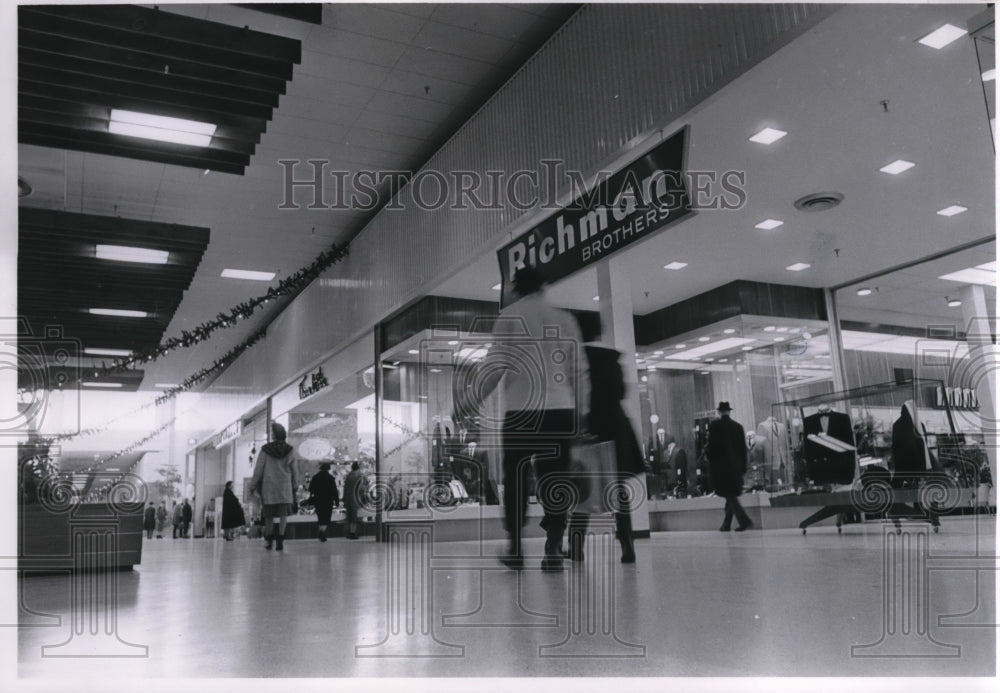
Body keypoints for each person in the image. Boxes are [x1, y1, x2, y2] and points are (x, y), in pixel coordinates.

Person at [457, 266, 588, 571]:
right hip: (559, 410)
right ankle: (554, 547)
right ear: (544, 286)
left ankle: (515, 547)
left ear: (516, 289)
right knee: (554, 478)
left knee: (516, 479)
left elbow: (493, 366)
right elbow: (578, 370)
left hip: (521, 413)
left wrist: (468, 402)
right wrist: (582, 412)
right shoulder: (565, 319)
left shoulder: (510, 317)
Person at [566, 324, 643, 564]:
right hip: (616, 426)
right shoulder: (612, 358)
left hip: (589, 426)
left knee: (582, 489)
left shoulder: (577, 358)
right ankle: (627, 545)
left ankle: (576, 548)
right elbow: (621, 392)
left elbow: (573, 393)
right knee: (618, 488)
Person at [250, 422, 298, 550]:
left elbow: (259, 469)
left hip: (269, 488)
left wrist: (253, 485)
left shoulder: (266, 450)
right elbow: (294, 471)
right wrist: (295, 485)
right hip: (284, 487)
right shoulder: (290, 450)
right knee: (283, 515)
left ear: (274, 435)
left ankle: (269, 540)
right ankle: (281, 541)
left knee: (269, 516)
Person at [707, 401, 753, 532]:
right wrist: (743, 468)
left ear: (719, 412)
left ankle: (744, 520)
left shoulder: (715, 426)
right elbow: (743, 450)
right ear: (729, 411)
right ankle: (726, 524)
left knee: (729, 495)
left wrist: (711, 465)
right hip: (736, 467)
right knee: (730, 494)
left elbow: (712, 449)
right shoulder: (738, 427)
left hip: (722, 468)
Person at [309, 463, 340, 542]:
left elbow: (311, 489)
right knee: (326, 518)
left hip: (318, 500)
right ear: (328, 469)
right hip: (328, 500)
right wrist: (337, 501)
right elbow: (334, 491)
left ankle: (321, 532)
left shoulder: (315, 477)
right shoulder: (330, 478)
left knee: (320, 517)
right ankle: (322, 532)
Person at [342, 461, 364, 540]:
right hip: (355, 498)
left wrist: (344, 499)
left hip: (348, 499)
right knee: (354, 517)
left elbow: (345, 488)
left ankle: (349, 532)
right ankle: (353, 533)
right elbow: (361, 489)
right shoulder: (359, 476)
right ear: (358, 468)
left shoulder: (348, 476)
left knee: (350, 517)